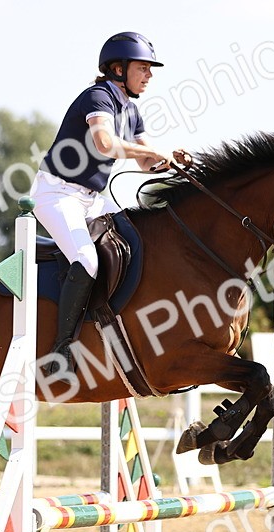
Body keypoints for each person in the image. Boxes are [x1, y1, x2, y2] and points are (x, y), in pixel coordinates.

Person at [32, 31, 191, 376]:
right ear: (118, 69)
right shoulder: (98, 96)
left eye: (151, 69)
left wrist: (170, 159)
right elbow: (104, 144)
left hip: (90, 200)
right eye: (143, 68)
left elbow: (146, 163)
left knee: (136, 238)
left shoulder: (131, 110)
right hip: (56, 194)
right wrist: (153, 152)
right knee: (87, 259)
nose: (149, 75)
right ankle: (60, 351)